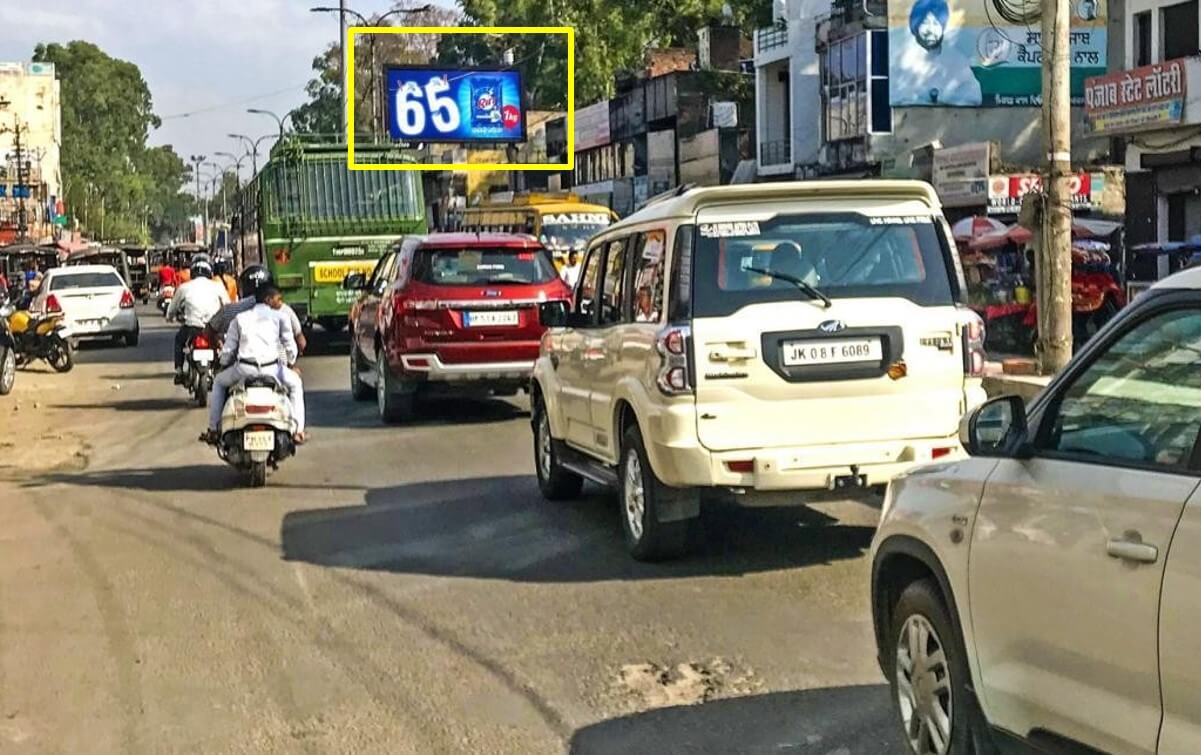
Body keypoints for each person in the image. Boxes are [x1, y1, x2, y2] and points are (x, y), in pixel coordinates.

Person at [203, 284, 305, 445]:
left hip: (244, 369)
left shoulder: (240, 318)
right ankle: (298, 431)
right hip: (273, 370)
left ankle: (214, 430)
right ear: (268, 300)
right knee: (296, 384)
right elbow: (290, 346)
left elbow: (229, 349)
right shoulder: (280, 317)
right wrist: (290, 364)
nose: (280, 303)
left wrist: (223, 365)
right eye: (278, 300)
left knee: (219, 382)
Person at [892, 0, 983, 106]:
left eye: (936, 23)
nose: (931, 30)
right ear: (915, 26)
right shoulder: (902, 60)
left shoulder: (957, 62)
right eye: (925, 23)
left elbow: (973, 99)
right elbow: (895, 97)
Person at [166, 259, 230, 384]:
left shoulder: (184, 287)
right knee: (224, 345)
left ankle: (179, 370)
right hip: (213, 327)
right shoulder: (217, 286)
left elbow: (172, 308)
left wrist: (169, 317)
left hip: (192, 327)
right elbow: (228, 305)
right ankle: (222, 367)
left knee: (179, 341)